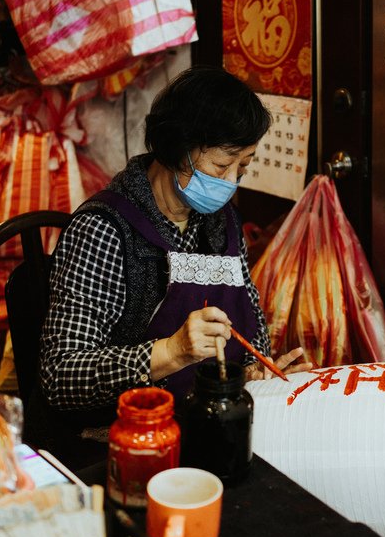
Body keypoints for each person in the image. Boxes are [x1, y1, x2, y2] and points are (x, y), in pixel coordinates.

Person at [31, 65, 310, 466]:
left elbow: (252, 336)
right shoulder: (104, 230)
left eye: (243, 168)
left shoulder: (221, 223)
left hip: (204, 425)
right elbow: (61, 377)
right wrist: (171, 352)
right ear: (178, 147)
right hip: (121, 443)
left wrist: (251, 374)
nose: (231, 182)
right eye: (220, 167)